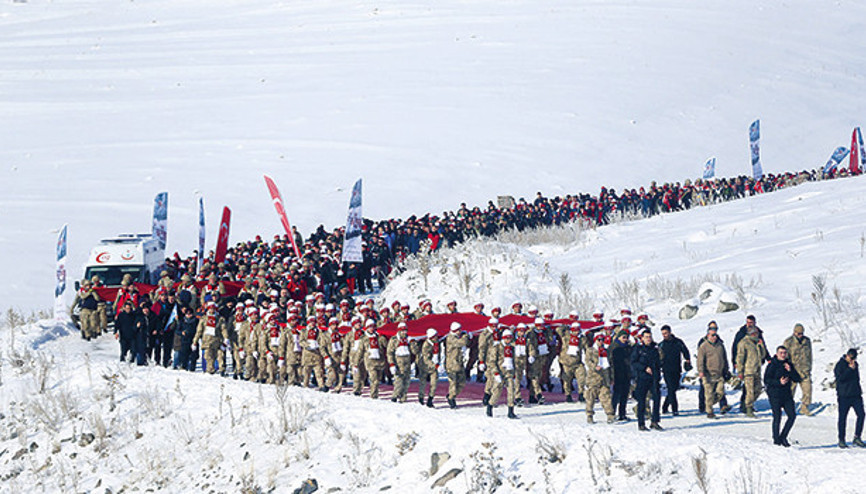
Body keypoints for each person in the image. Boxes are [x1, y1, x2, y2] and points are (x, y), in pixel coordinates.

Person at [764, 345, 802, 446]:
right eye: (781, 353)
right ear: (777, 354)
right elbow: (766, 380)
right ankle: (776, 439)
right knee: (777, 417)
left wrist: (790, 371)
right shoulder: (772, 364)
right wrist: (778, 382)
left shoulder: (788, 364)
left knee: (792, 416)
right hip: (774, 394)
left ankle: (783, 437)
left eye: (784, 353)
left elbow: (797, 378)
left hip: (786, 395)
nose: (783, 355)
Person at [631, 329, 663, 431]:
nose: (648, 339)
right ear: (642, 338)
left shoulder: (655, 348)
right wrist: (644, 368)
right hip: (642, 377)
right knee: (642, 400)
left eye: (650, 337)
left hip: (654, 378)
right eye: (646, 337)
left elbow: (659, 361)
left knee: (657, 398)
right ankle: (641, 423)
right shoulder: (638, 349)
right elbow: (633, 363)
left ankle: (655, 421)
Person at [697, 325, 730, 419]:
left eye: (715, 335)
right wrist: (701, 371)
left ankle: (709, 404)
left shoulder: (720, 345)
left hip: (719, 374)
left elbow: (724, 358)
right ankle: (710, 412)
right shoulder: (703, 346)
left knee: (720, 392)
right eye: (712, 335)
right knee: (709, 394)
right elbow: (700, 360)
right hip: (708, 374)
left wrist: (726, 370)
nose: (714, 337)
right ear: (708, 335)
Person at [835, 348, 865, 448]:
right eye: (851, 358)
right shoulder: (840, 365)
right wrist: (849, 370)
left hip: (856, 395)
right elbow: (840, 379)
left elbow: (856, 378)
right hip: (844, 396)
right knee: (843, 418)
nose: (852, 360)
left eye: (854, 358)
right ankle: (841, 439)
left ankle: (857, 437)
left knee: (861, 414)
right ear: (847, 355)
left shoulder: (855, 365)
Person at [736, 327, 768, 417]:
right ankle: (749, 408)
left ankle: (746, 404)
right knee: (749, 391)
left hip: (757, 370)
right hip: (748, 371)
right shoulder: (744, 343)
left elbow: (763, 355)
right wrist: (740, 371)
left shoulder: (757, 343)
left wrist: (761, 346)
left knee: (758, 389)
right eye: (755, 333)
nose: (757, 335)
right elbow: (740, 358)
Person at [658, 325, 691, 416]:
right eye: (663, 334)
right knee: (671, 388)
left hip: (676, 369)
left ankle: (665, 406)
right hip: (666, 370)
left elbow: (685, 351)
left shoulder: (678, 342)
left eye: (665, 333)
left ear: (670, 332)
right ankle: (674, 409)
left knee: (674, 388)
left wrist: (687, 360)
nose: (664, 335)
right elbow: (657, 356)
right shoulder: (661, 345)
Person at [486, 329, 518, 419]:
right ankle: (490, 405)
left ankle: (511, 411)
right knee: (497, 391)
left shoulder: (512, 348)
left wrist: (514, 373)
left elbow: (513, 361)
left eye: (510, 338)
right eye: (507, 338)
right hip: (500, 372)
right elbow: (492, 362)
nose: (508, 340)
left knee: (511, 390)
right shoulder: (497, 348)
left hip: (509, 373)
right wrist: (496, 373)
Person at [783, 323, 813, 415]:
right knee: (790, 391)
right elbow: (784, 356)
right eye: (798, 333)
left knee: (808, 390)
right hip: (793, 371)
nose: (800, 335)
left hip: (804, 370)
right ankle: (788, 407)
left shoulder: (807, 341)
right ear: (794, 332)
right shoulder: (788, 342)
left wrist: (809, 367)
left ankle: (804, 407)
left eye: (802, 333)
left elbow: (809, 355)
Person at [445, 322, 470, 409]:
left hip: (459, 363)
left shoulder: (457, 337)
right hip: (451, 364)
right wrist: (466, 336)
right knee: (453, 384)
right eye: (458, 330)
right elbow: (462, 342)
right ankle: (451, 399)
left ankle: (451, 395)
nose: (460, 331)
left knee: (462, 383)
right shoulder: (450, 338)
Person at [610, 331, 632, 421]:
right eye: (623, 337)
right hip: (617, 373)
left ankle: (622, 413)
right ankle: (612, 413)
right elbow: (610, 362)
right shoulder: (613, 347)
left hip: (626, 373)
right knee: (616, 394)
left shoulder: (628, 347)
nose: (625, 339)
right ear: (618, 337)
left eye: (626, 337)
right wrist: (611, 376)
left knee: (625, 394)